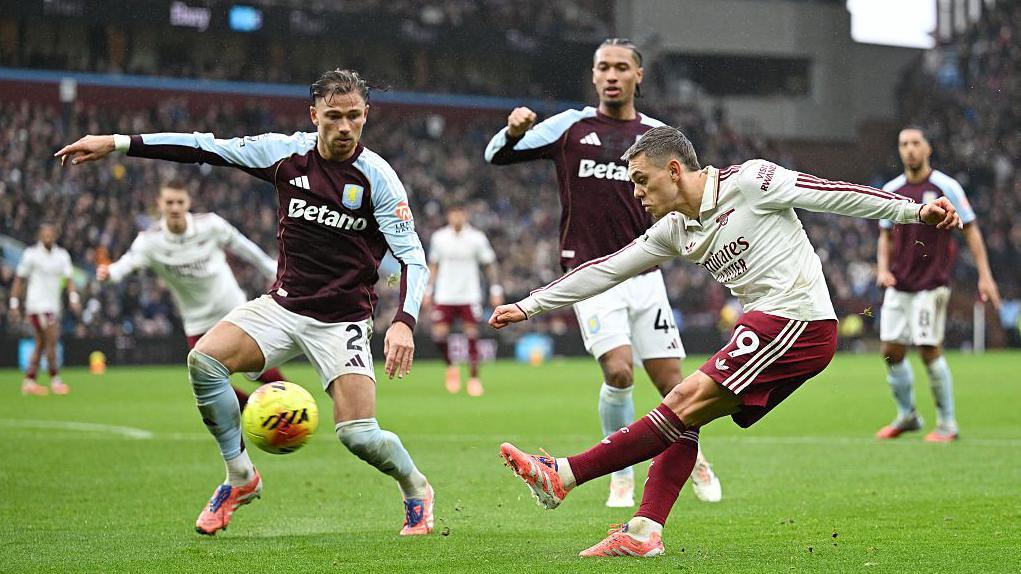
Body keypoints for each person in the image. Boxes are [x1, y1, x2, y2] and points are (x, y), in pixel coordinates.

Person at [489, 126, 962, 557]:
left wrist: (915, 211)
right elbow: (606, 268)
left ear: (674, 170)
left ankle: (564, 475)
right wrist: (530, 305)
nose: (635, 194)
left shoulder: (752, 181)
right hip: (765, 325)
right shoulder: (676, 229)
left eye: (640, 180)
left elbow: (834, 195)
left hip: (797, 319)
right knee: (685, 416)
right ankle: (643, 531)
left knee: (680, 399)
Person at [56, 69, 435, 537]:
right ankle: (240, 476)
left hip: (343, 320)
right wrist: (116, 142)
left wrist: (405, 321)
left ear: (366, 116)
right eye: (333, 116)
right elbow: (202, 147)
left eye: (353, 117)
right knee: (205, 360)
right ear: (313, 114)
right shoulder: (284, 153)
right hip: (283, 306)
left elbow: (414, 257)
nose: (343, 127)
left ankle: (416, 488)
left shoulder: (378, 178)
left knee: (358, 435)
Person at [484, 38, 721, 508]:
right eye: (603, 68)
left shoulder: (656, 135)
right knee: (617, 373)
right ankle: (621, 472)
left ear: (638, 76)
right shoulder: (571, 127)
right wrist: (511, 132)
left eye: (621, 67)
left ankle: (695, 459)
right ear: (593, 76)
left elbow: (693, 188)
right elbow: (497, 156)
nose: (611, 75)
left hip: (645, 273)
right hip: (590, 277)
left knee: (673, 382)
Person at [96, 179, 287, 408]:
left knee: (254, 369)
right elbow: (127, 263)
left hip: (231, 309)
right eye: (169, 202)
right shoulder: (150, 242)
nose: (175, 207)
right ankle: (255, 411)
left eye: (179, 201)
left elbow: (244, 247)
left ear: (188, 202)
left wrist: (271, 269)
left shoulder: (211, 225)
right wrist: (110, 273)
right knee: (205, 380)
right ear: (160, 204)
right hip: (197, 321)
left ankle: (289, 404)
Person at [874, 126, 1000, 442]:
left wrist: (985, 275)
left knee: (928, 349)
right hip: (899, 283)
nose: (910, 149)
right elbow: (885, 234)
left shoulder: (946, 187)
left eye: (916, 143)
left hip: (932, 283)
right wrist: (882, 269)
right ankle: (907, 416)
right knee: (891, 351)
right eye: (904, 144)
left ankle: (947, 424)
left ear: (927, 148)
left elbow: (970, 229)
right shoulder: (893, 188)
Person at [424, 203, 503, 396]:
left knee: (472, 335)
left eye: (460, 214)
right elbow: (433, 265)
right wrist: (428, 290)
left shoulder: (476, 238)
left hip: (469, 294)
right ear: (449, 216)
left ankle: (474, 379)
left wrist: (495, 289)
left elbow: (490, 265)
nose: (456, 218)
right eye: (453, 214)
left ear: (465, 215)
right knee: (439, 335)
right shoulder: (439, 238)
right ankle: (451, 367)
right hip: (445, 294)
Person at [9, 223, 81, 395]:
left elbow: (69, 279)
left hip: (53, 306)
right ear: (40, 236)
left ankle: (29, 381)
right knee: (52, 340)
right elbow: (19, 279)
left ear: (55, 235)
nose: (48, 238)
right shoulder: (31, 255)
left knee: (41, 344)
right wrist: (14, 303)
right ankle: (55, 380)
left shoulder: (62, 255)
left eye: (50, 235)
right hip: (37, 305)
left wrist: (73, 298)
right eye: (45, 235)